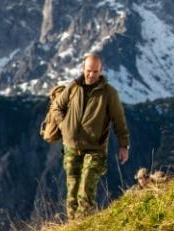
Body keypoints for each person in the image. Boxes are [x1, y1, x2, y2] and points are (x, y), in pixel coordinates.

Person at [51, 53, 130, 218]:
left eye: (95, 71)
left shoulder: (109, 93)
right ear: (83, 69)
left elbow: (118, 120)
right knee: (72, 192)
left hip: (95, 149)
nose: (92, 74)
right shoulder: (73, 87)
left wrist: (124, 145)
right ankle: (73, 230)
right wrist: (64, 126)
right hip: (71, 148)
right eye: (89, 70)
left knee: (86, 190)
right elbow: (57, 106)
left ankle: (84, 226)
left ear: (101, 71)